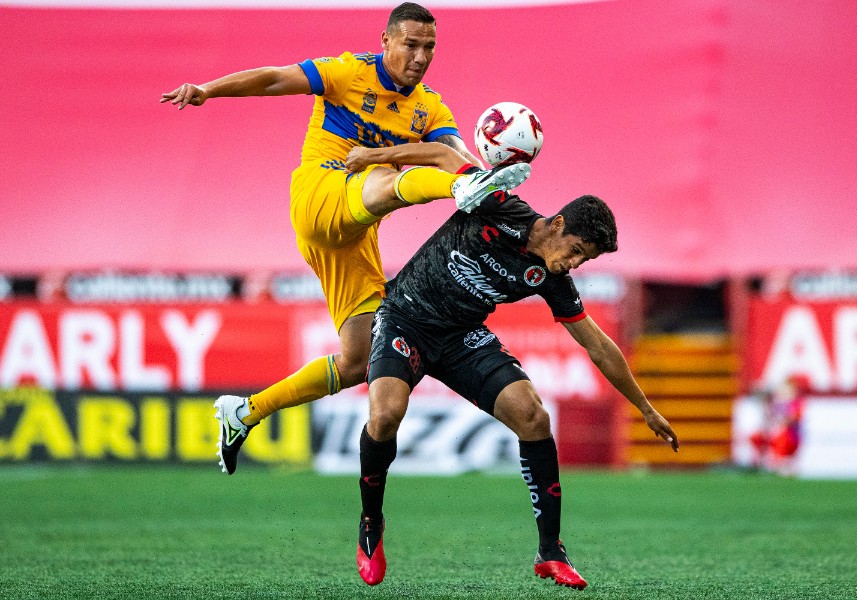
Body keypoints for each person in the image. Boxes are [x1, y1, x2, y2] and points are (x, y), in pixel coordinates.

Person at [160, 2, 531, 474]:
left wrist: (488, 177)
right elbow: (275, 78)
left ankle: (244, 412)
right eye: (411, 45)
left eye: (429, 47)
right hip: (320, 196)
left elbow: (454, 152)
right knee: (387, 176)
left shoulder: (430, 107)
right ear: (386, 41)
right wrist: (206, 90)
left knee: (359, 361)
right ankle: (460, 192)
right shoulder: (348, 72)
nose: (420, 57)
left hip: (353, 234)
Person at [352, 185, 680, 588]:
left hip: (461, 338)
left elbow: (598, 345)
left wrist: (645, 407)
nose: (573, 263)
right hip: (406, 318)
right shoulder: (503, 207)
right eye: (575, 250)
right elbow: (454, 167)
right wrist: (384, 154)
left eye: (585, 260)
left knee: (533, 416)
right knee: (385, 416)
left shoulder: (551, 276)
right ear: (558, 224)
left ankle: (551, 551)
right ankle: (371, 521)